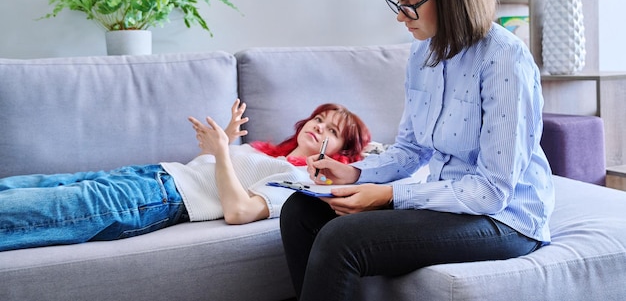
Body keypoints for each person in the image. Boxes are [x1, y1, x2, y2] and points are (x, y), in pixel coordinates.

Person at [279, 0, 555, 301]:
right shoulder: (421, 52)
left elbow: (491, 192)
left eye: (410, 5)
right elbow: (411, 150)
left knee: (342, 240)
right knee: (300, 212)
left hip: (505, 218)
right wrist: (355, 172)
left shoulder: (504, 60)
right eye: (397, 2)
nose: (400, 16)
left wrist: (389, 194)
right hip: (451, 205)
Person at [0, 100, 370, 252]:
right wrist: (222, 143)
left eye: (332, 130)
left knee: (33, 210)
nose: (319, 128)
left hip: (160, 198)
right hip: (151, 174)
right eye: (319, 119)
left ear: (342, 151)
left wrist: (223, 150)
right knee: (29, 185)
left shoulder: (302, 181)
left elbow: (239, 211)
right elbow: (209, 172)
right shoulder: (263, 151)